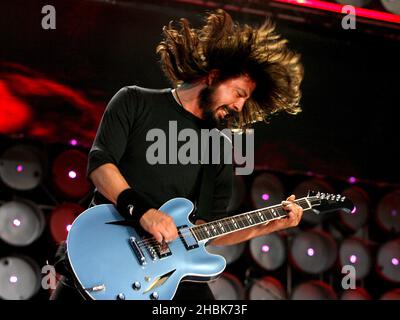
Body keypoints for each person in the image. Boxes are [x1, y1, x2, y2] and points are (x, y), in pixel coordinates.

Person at [50, 9, 304, 301]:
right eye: (238, 92)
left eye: (245, 100)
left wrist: (269, 224)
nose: (239, 106)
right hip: (100, 251)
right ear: (214, 76)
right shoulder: (134, 100)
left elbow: (206, 230)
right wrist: (144, 212)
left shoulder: (219, 148)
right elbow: (100, 164)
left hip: (162, 272)